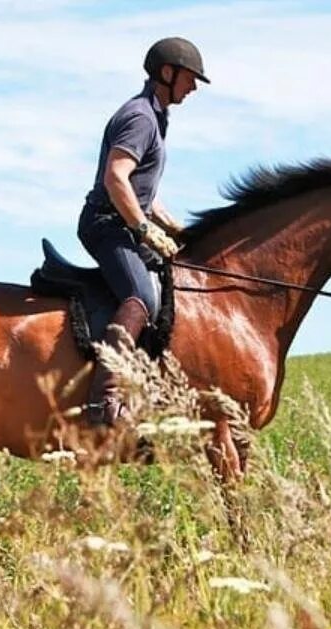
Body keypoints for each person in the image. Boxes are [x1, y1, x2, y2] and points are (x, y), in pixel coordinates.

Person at [77, 36, 209, 426]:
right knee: (140, 295)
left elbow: (143, 191)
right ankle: (104, 400)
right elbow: (116, 177)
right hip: (107, 225)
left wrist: (172, 226)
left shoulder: (157, 118)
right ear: (167, 73)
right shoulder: (139, 117)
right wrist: (143, 228)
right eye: (190, 77)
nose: (194, 86)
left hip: (127, 224)